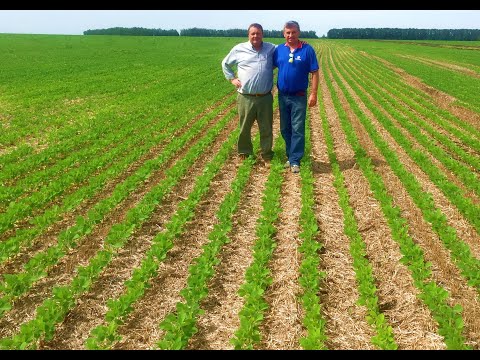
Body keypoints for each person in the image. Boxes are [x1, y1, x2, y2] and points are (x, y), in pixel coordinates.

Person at [221, 23, 275, 164]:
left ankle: (267, 154)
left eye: (258, 33)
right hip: (245, 97)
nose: (255, 36)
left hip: (265, 97)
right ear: (248, 35)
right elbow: (225, 63)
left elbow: (288, 49)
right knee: (244, 126)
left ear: (262, 34)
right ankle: (244, 151)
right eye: (253, 33)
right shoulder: (239, 49)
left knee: (266, 127)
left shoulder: (271, 49)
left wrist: (301, 43)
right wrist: (232, 78)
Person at [273, 20, 319, 174]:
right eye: (287, 32)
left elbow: (315, 73)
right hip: (282, 96)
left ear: (298, 32)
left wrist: (314, 93)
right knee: (285, 128)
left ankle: (295, 160)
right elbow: (268, 65)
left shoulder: (307, 50)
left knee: (298, 128)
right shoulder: (279, 50)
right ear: (283, 34)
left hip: (299, 96)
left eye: (293, 32)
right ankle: (290, 155)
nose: (290, 35)